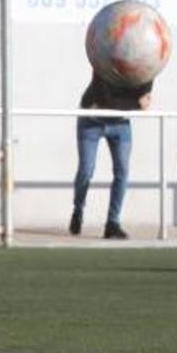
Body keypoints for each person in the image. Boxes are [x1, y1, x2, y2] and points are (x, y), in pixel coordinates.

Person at [71, 74, 151, 239]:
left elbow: (144, 94)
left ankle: (112, 223)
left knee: (122, 172)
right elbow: (105, 100)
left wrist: (134, 103)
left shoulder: (143, 64)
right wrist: (135, 104)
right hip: (91, 120)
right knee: (86, 170)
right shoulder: (104, 59)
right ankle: (78, 209)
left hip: (119, 123)